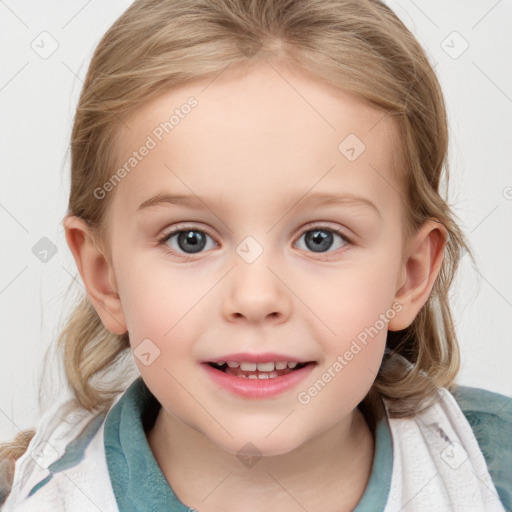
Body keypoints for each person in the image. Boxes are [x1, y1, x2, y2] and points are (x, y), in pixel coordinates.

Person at [1, 0, 511, 510]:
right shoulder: (41, 497)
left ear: (409, 275)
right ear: (104, 277)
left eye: (320, 238)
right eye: (190, 239)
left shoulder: (490, 475)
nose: (256, 297)